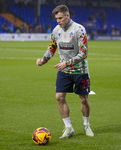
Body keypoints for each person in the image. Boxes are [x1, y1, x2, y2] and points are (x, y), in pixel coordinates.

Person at [36, 5, 94, 139]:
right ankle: (68, 128)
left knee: (83, 99)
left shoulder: (79, 29)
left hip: (80, 71)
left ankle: (86, 125)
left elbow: (83, 54)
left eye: (60, 18)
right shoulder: (56, 30)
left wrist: (66, 63)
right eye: (56, 18)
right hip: (64, 71)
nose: (58, 21)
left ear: (67, 16)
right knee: (59, 97)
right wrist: (42, 60)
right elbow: (51, 48)